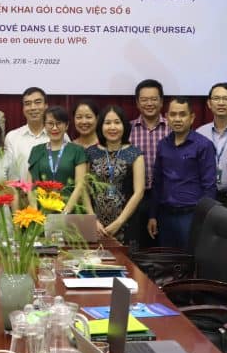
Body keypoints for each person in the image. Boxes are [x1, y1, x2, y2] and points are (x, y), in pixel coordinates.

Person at [148, 98, 216, 250]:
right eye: (173, 114)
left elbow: (209, 186)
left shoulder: (204, 145)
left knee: (190, 260)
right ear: (167, 117)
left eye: (182, 114)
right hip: (165, 215)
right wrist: (152, 215)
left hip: (191, 216)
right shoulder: (163, 145)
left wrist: (205, 218)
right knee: (167, 259)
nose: (177, 119)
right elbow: (157, 182)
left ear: (192, 117)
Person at [85, 105, 144, 244]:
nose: (112, 127)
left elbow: (139, 192)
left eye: (117, 122)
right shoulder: (90, 153)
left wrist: (119, 222)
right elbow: (84, 190)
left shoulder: (135, 153)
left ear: (124, 126)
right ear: (101, 126)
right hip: (96, 225)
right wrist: (92, 219)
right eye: (107, 123)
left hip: (126, 224)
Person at [129, 79, 169, 248]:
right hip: (136, 196)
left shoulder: (173, 128)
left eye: (153, 99)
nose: (149, 103)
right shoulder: (128, 129)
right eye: (144, 100)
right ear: (137, 103)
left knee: (165, 246)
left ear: (161, 102)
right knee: (138, 246)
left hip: (166, 197)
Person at [28, 106, 88, 213]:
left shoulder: (77, 150)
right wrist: (35, 212)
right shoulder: (36, 151)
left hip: (71, 212)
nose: (54, 128)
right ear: (44, 125)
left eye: (59, 123)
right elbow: (30, 185)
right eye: (50, 123)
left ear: (66, 125)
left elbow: (80, 185)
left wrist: (66, 212)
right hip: (42, 211)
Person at [4, 87, 55, 181]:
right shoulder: (12, 137)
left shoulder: (58, 134)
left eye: (38, 102)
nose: (33, 107)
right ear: (23, 108)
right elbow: (9, 173)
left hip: (53, 190)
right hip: (19, 190)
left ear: (46, 106)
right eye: (28, 104)